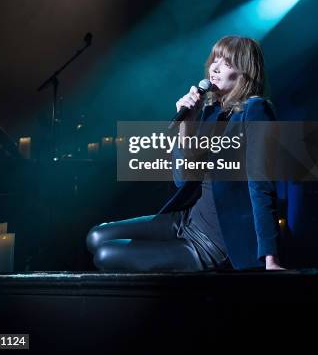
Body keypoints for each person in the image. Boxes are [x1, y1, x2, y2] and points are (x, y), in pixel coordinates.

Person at [86, 35, 285, 272]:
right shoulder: (212, 112)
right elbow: (183, 179)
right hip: (186, 221)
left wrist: (271, 259)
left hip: (211, 243)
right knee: (96, 237)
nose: (215, 67)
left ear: (245, 71)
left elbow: (261, 186)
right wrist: (187, 123)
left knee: (106, 254)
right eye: (215, 59)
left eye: (227, 63)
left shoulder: (255, 110)